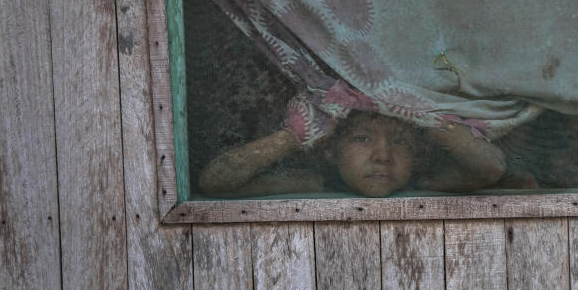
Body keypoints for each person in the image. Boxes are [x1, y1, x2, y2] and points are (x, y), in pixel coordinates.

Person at [198, 111, 506, 198]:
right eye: (362, 138)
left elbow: (490, 169)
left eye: (399, 141)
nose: (382, 156)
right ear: (330, 149)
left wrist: (431, 118)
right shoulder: (314, 184)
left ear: (417, 151)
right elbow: (216, 182)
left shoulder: (425, 182)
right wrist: (292, 137)